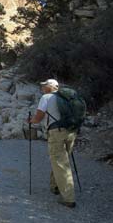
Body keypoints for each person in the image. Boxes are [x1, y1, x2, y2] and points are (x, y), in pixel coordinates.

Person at [28, 79, 77, 208]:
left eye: (44, 85)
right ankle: (55, 186)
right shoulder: (68, 97)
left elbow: (38, 117)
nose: (42, 87)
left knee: (60, 162)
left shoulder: (46, 97)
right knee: (61, 160)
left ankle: (68, 198)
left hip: (56, 132)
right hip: (72, 131)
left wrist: (31, 121)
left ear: (50, 87)